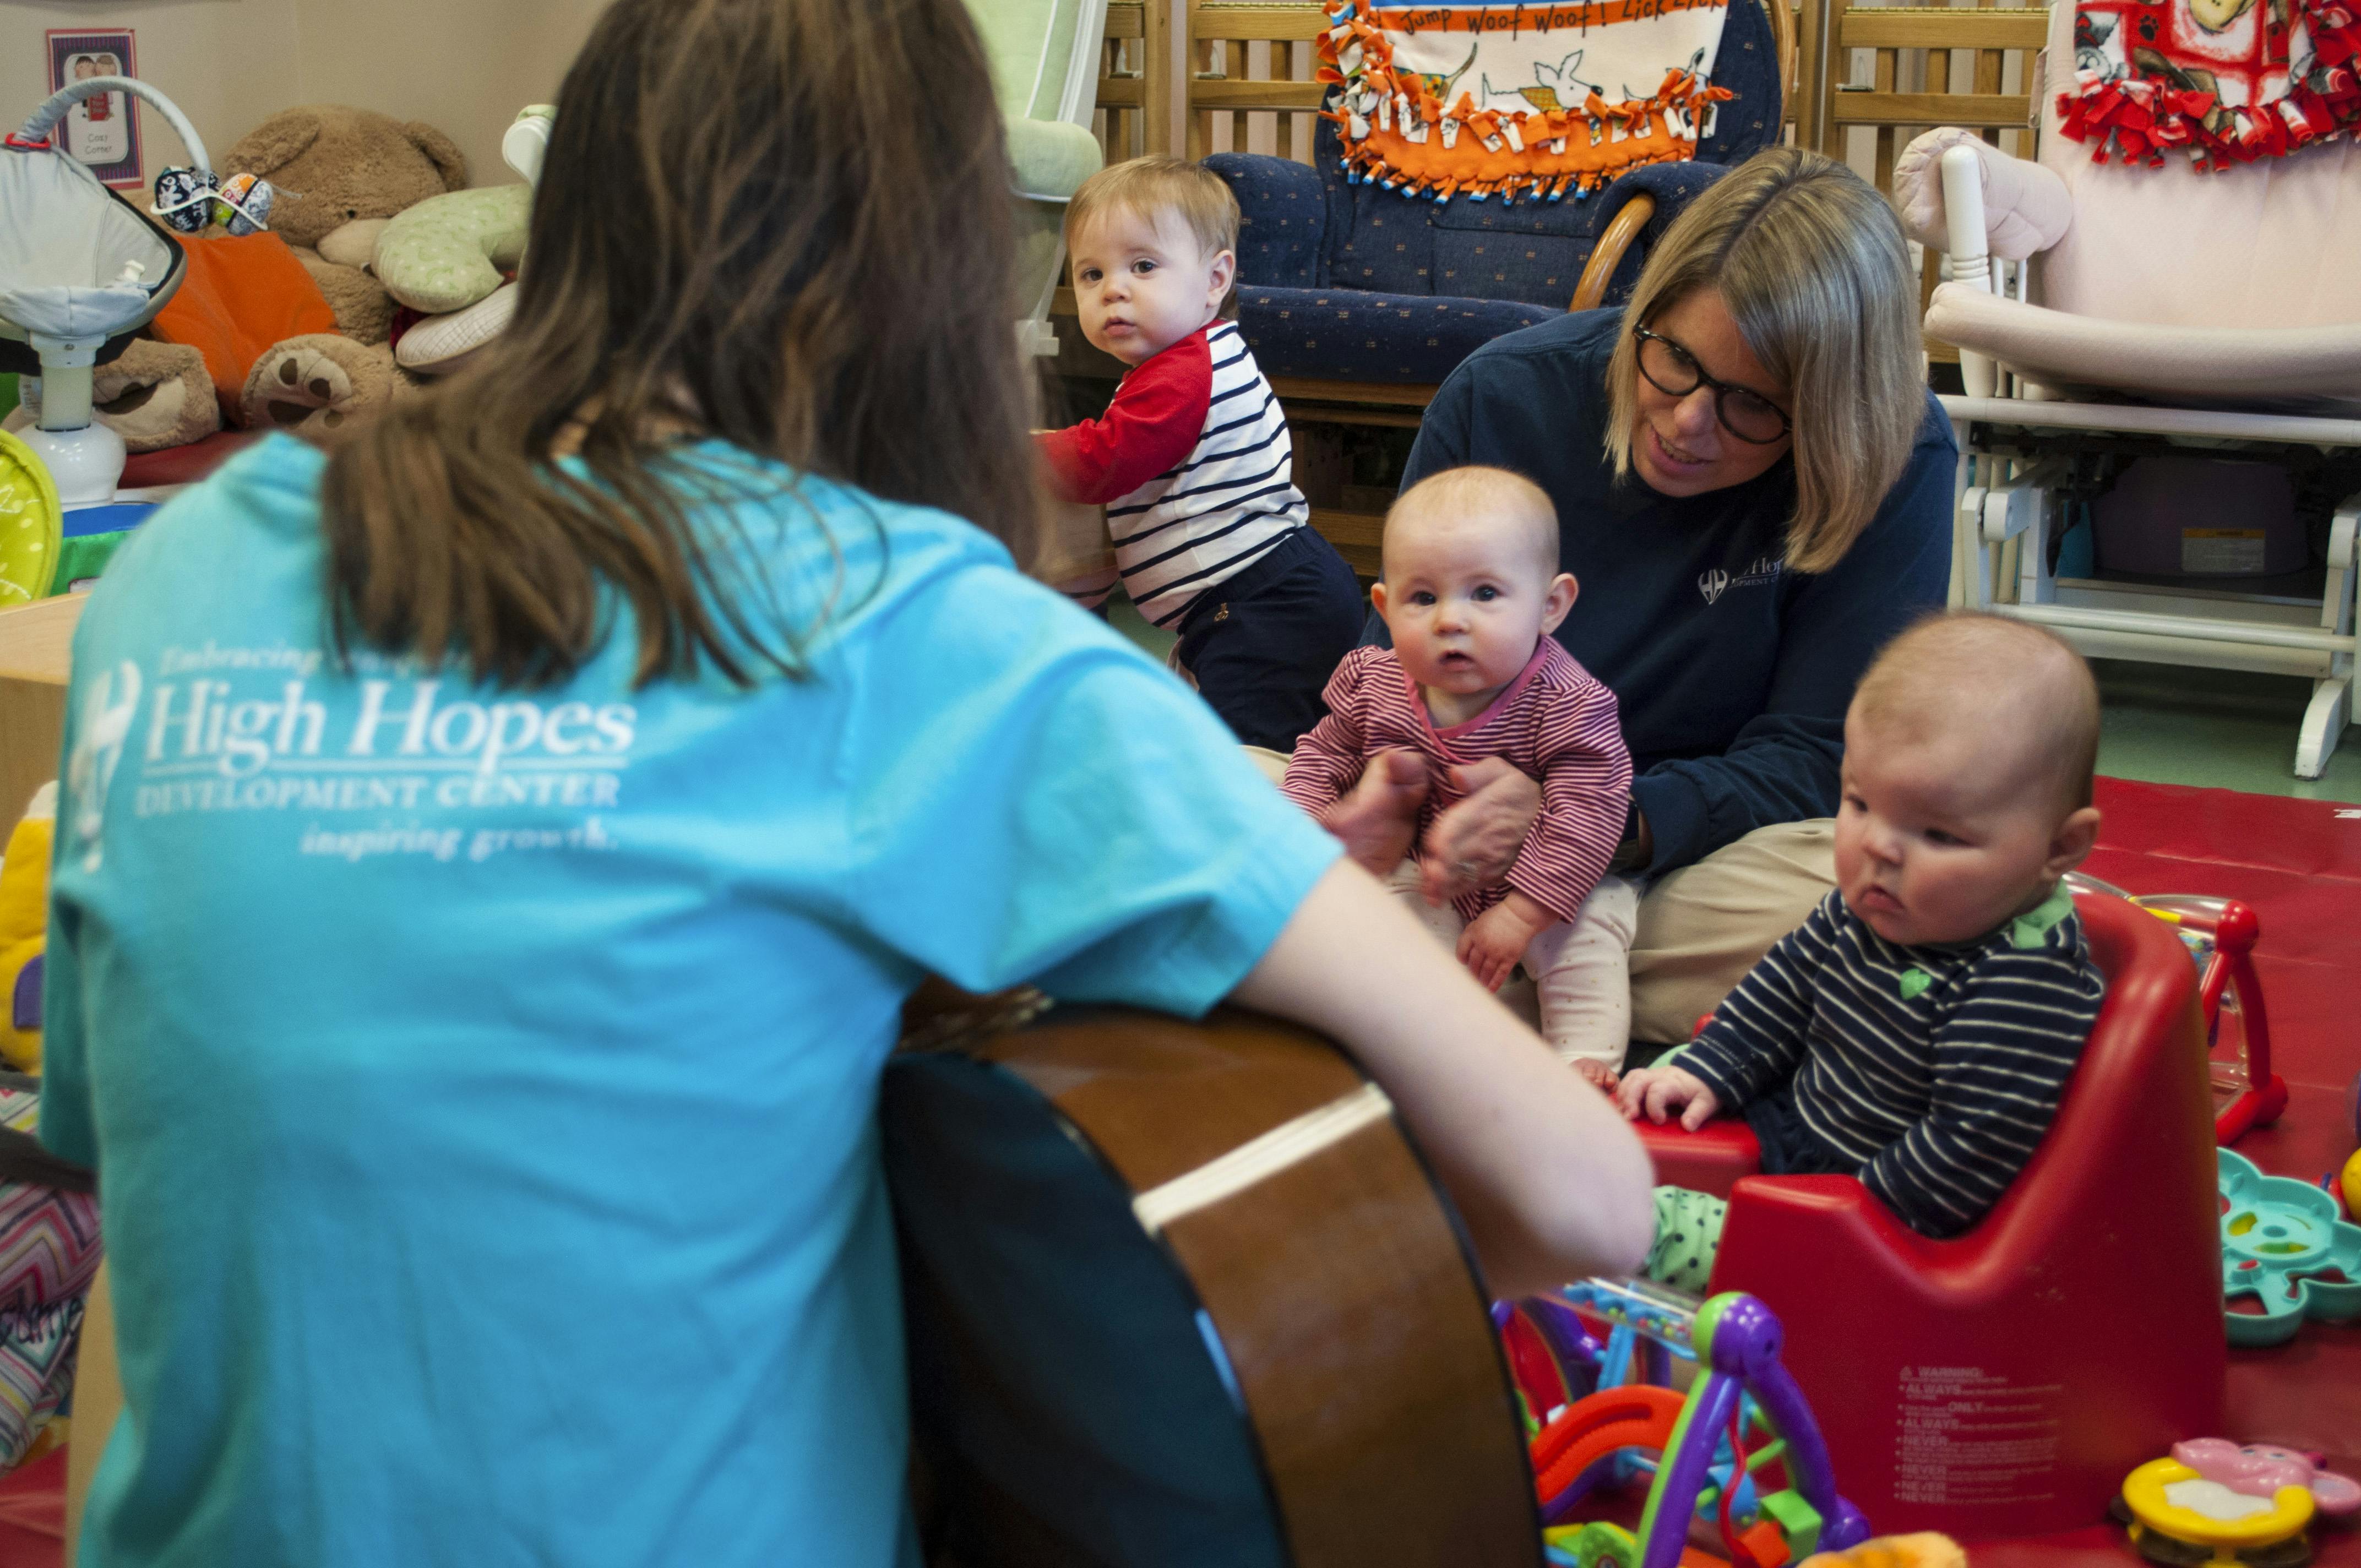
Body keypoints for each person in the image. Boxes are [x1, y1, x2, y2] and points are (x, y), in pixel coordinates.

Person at [42, 3, 1653, 1565]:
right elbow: (1582, 1193)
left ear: (566, 212)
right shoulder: (916, 635)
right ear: (943, 279)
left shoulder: (182, 574)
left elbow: (157, 1225)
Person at [1324, 146, 1955, 1050]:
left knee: (1903, 900)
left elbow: (1824, 756)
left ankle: (1411, 978)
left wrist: (1596, 827)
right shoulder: (1506, 393)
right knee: (1203, 788)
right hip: (1454, 844)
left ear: (1830, 415)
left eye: (1754, 406)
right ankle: (1540, 985)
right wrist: (1392, 792)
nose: (1687, 422)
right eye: (1674, 359)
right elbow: (1392, 666)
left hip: (1682, 853)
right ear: (1646, 313)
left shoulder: (1897, 453)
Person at [1616, 613, 2108, 1289]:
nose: (1877, 848)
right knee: (1657, 1085)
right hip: (1799, 1121)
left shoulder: (2020, 984)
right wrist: (1713, 1065)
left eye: (1937, 834)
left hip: (1878, 1207)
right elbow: (1786, 984)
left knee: (1652, 1231)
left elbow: (1960, 1159)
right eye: (1859, 803)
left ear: (2059, 847)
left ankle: (1619, 1234)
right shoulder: (1883, 901)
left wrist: (1842, 1222)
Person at [1283, 467, 1633, 1085]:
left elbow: (1590, 814)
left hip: (1549, 884)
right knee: (1390, 928)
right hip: (1432, 876)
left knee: (1587, 938)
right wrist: (1306, 829)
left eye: (1485, 594)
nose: (1450, 620)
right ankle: (1427, 1049)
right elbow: (1323, 754)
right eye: (1423, 598)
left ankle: (1581, 1066)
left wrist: (1521, 915)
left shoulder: (1568, 704)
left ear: (1550, 606)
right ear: (1384, 607)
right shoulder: (1376, 682)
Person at [1036, 156, 1365, 752]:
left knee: (1244, 761)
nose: (1113, 289)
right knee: (1292, 751)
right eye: (1090, 273)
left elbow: (1106, 460)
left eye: (1143, 266)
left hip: (1261, 602)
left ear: (1216, 280)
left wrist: (1014, 451)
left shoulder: (1184, 372)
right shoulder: (1189, 360)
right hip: (1259, 598)